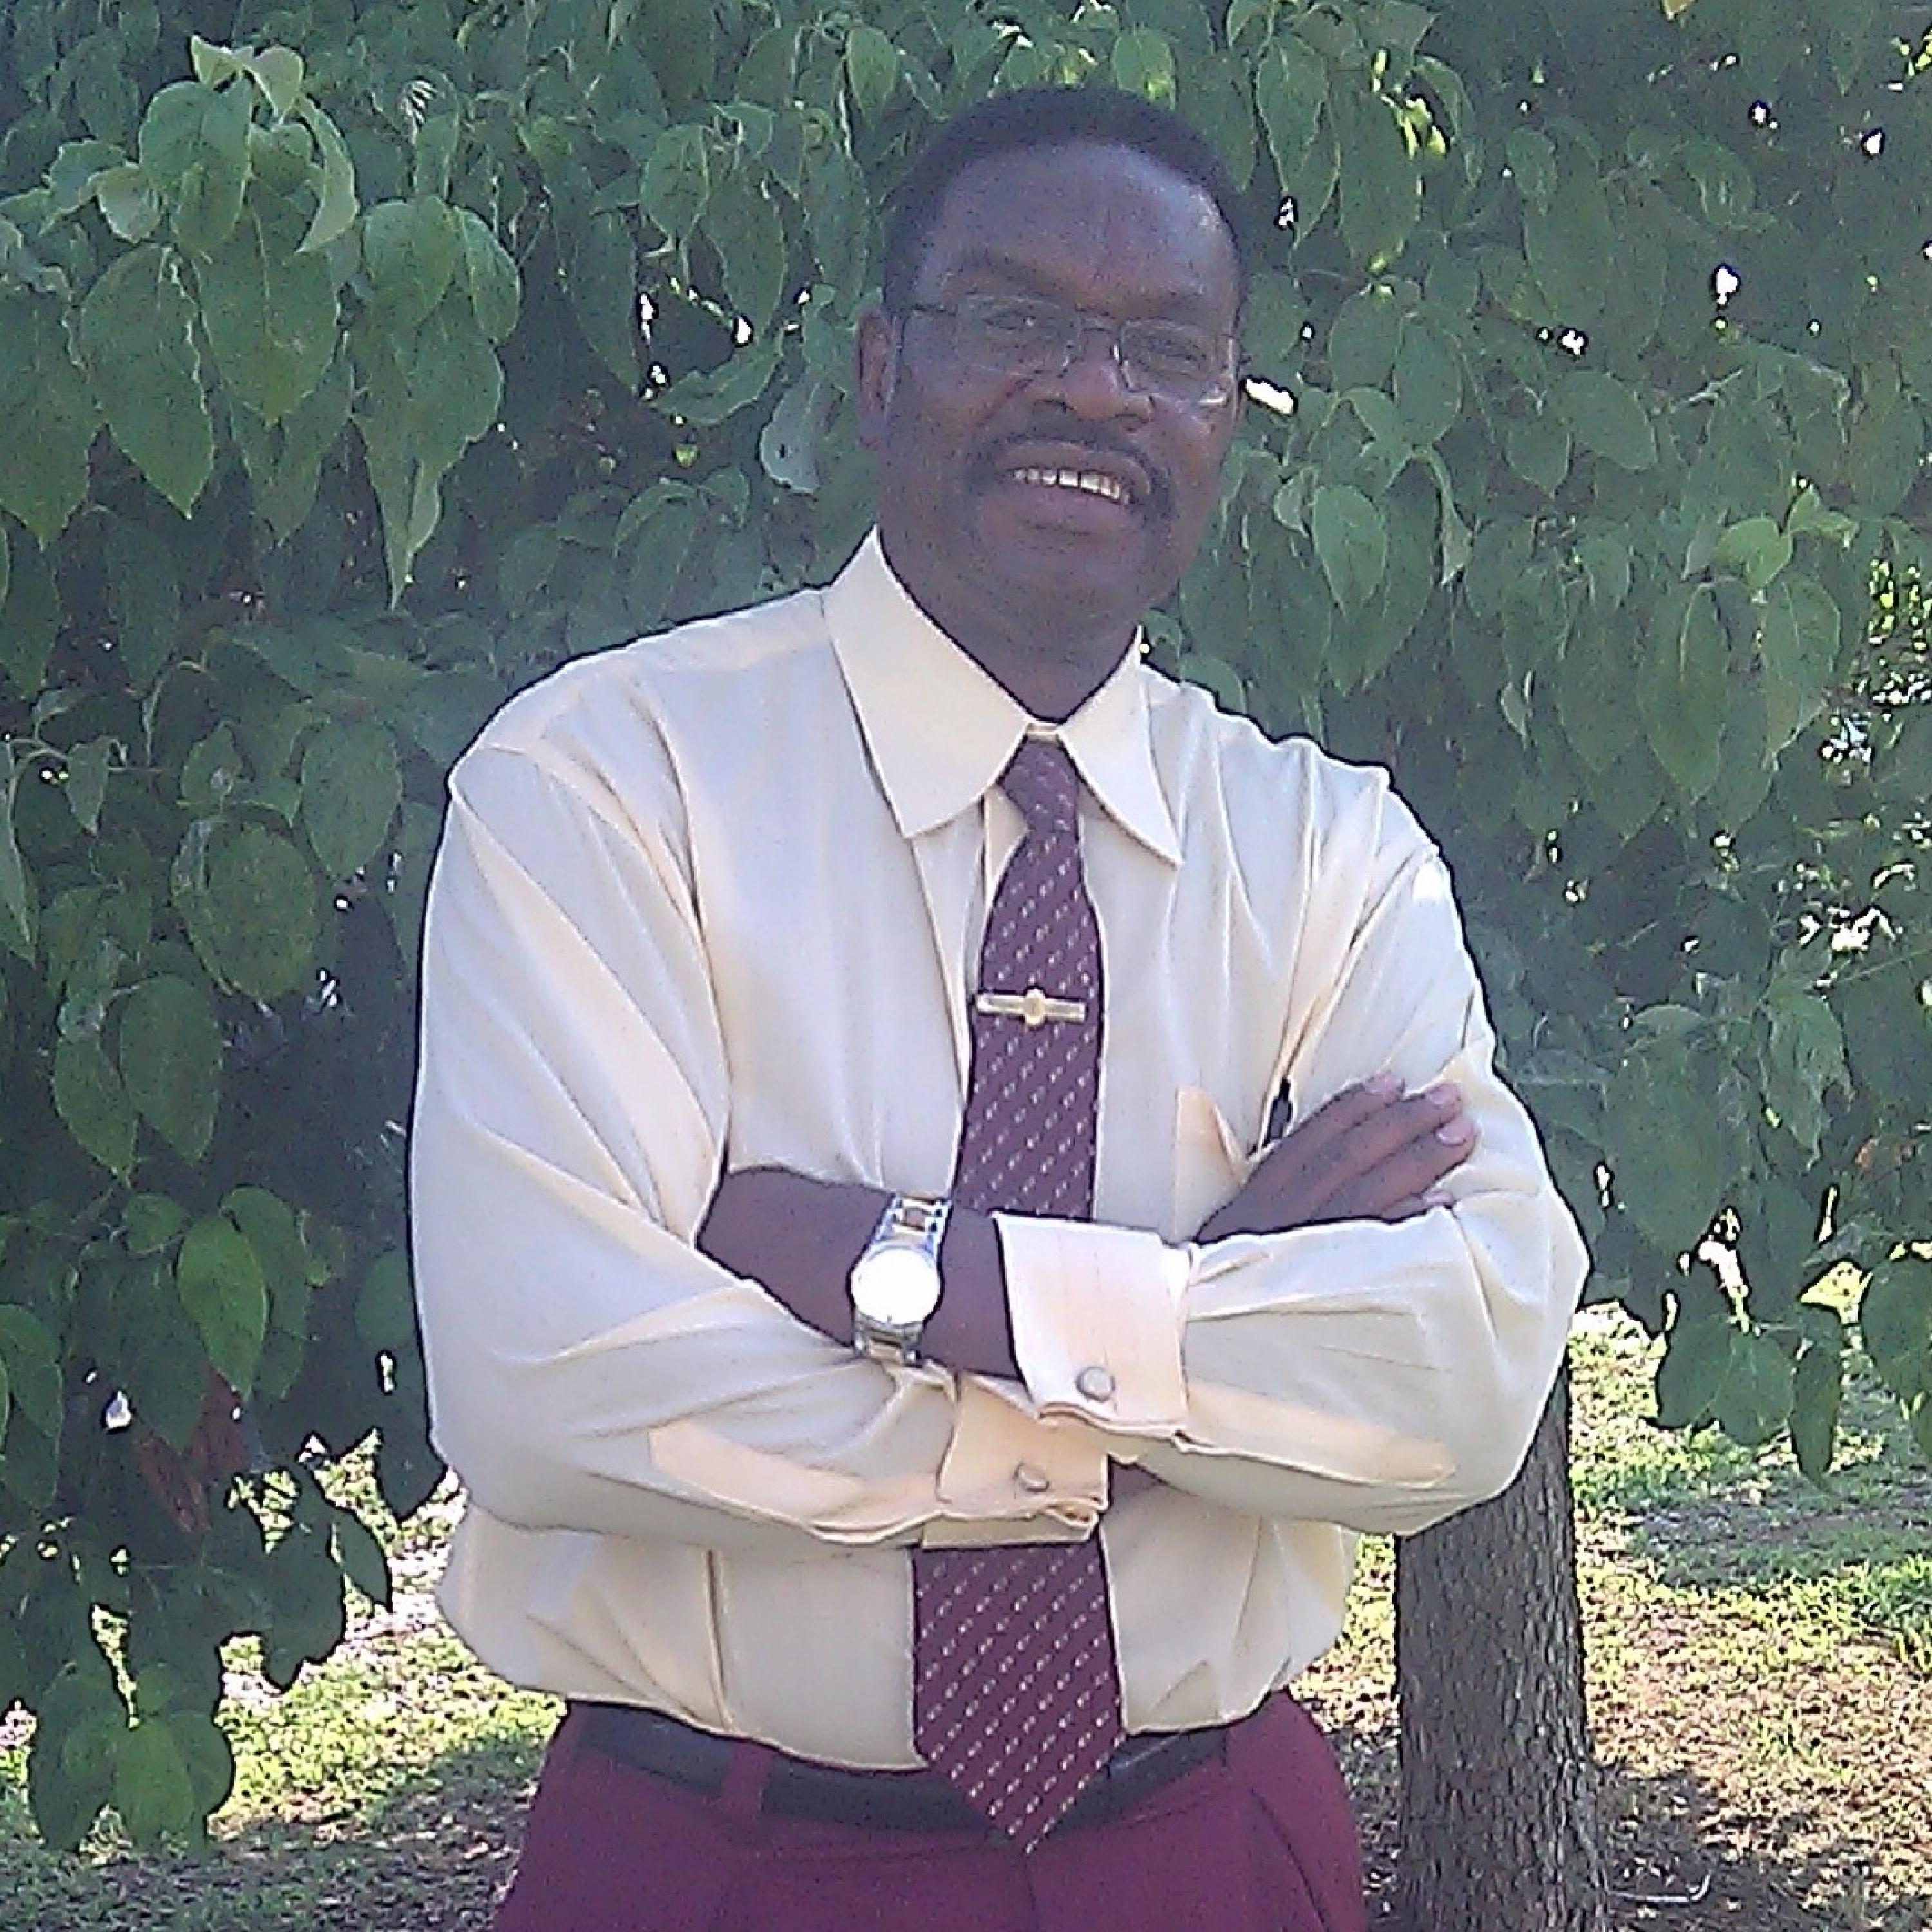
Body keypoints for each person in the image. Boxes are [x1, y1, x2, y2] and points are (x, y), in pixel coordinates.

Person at [410, 84, 1586, 1932]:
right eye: (1019, 318)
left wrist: (919, 1280)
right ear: (882, 370)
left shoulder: (1328, 855)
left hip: (1212, 1851)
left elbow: (1468, 1375)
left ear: (1223, 418)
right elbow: (551, 1391)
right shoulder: (608, 785)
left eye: (1167, 350)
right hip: (716, 1863)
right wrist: (1193, 1334)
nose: (1095, 392)